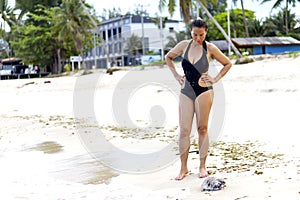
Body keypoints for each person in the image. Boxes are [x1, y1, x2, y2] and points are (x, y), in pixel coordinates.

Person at [165, 18, 232, 180]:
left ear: (206, 33)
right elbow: (168, 57)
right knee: (184, 131)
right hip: (186, 90)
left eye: (201, 35)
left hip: (204, 91)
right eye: (195, 34)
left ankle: (202, 166)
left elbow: (227, 63)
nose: (198, 38)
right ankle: (183, 168)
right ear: (191, 32)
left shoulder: (210, 48)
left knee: (202, 129)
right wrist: (176, 76)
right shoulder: (183, 45)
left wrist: (215, 79)